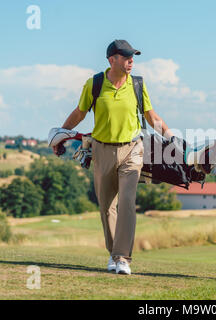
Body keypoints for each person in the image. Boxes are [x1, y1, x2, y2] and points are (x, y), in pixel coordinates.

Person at [53, 39, 174, 275]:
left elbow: (150, 114)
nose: (131, 61)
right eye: (127, 57)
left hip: (132, 149)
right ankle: (114, 254)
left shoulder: (137, 84)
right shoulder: (95, 83)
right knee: (107, 206)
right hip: (102, 150)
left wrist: (171, 136)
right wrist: (61, 133)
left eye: (133, 57)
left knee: (127, 201)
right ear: (112, 60)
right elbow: (80, 113)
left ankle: (122, 258)